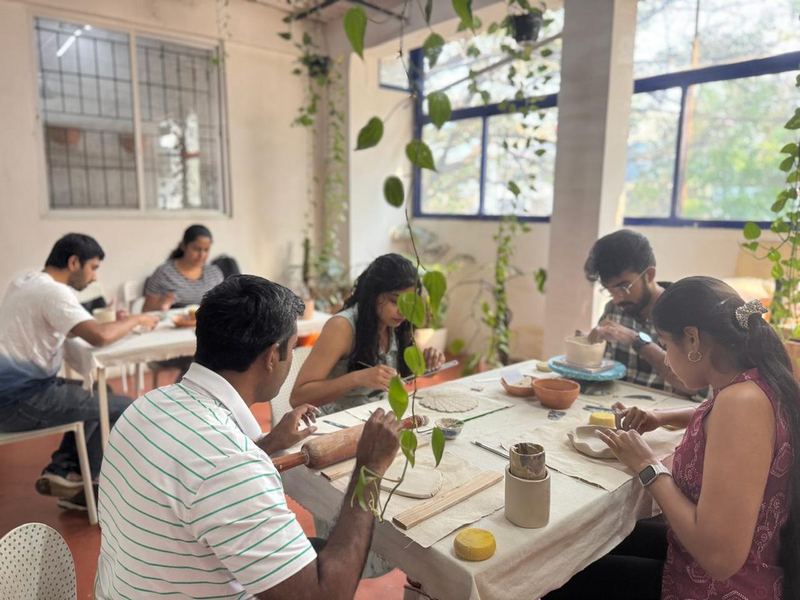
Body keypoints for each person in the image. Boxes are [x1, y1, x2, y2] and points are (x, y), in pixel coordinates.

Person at [96, 275, 402, 599]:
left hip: (130, 588)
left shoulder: (144, 407)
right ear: (272, 357)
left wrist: (268, 444)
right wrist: (369, 469)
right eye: (292, 350)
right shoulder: (231, 467)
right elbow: (324, 595)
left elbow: (199, 475)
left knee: (317, 550)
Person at [546, 277, 799, 600]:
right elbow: (723, 420)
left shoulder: (741, 404)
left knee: (560, 577)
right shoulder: (754, 381)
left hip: (720, 587)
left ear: (692, 339)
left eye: (665, 344)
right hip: (725, 563)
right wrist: (663, 417)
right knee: (594, 539)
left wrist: (647, 466)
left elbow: (720, 559)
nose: (665, 358)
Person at [0, 234, 159, 508]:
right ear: (74, 262)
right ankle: (96, 490)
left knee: (100, 392)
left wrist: (112, 327)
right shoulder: (54, 292)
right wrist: (136, 319)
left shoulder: (24, 281)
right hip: (22, 401)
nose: (95, 277)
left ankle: (62, 471)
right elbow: (98, 336)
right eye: (93, 267)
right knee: (125, 406)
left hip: (13, 394)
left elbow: (78, 335)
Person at [290, 253, 445, 415]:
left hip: (379, 417)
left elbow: (405, 376)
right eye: (394, 301)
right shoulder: (342, 327)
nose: (403, 310)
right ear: (373, 294)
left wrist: (426, 365)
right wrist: (357, 378)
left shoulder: (398, 323)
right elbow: (297, 398)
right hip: (337, 422)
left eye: (409, 302)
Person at [583, 229, 698, 396]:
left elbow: (692, 386)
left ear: (649, 275)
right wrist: (586, 347)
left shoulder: (685, 312)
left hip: (667, 414)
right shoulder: (613, 309)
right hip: (617, 409)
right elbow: (601, 369)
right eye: (610, 291)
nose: (617, 299)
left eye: (623, 287)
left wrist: (636, 340)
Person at [142, 224, 224, 311]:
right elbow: (146, 310)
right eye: (196, 249)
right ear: (183, 246)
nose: (202, 255)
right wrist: (163, 304)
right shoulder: (164, 273)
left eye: (206, 250)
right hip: (173, 323)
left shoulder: (214, 273)